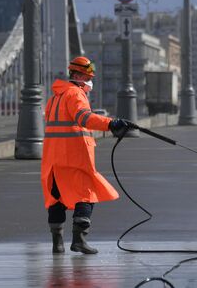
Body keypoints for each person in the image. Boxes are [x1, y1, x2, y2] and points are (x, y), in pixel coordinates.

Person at [41, 56, 132, 254]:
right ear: (76, 75)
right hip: (74, 156)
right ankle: (79, 240)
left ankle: (57, 243)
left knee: (56, 198)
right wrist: (111, 123)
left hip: (53, 157)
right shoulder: (75, 94)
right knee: (86, 194)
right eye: (87, 75)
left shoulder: (54, 98)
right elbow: (83, 118)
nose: (89, 79)